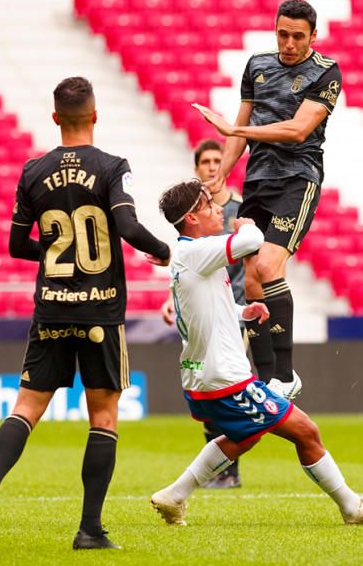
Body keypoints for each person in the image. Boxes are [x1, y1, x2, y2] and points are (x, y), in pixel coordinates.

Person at [0, 77, 171, 552]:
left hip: (51, 307)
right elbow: (128, 226)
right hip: (100, 312)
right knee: (104, 418)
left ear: (55, 118)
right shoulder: (113, 167)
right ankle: (90, 529)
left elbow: (15, 246)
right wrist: (162, 251)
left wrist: (56, 253)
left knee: (26, 410)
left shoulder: (33, 171)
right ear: (95, 115)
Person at [149, 179, 363, 527]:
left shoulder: (190, 257)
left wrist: (243, 312)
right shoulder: (197, 252)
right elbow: (252, 241)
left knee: (245, 436)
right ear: (191, 218)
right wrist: (247, 221)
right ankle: (351, 507)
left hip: (206, 375)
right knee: (306, 431)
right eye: (209, 205)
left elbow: (202, 310)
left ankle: (174, 496)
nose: (220, 209)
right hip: (225, 377)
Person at [193, 0, 340, 397]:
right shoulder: (257, 65)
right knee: (253, 278)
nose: (289, 43)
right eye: (282, 34)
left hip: (297, 178)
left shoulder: (326, 72)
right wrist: (220, 175)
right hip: (258, 182)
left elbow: (297, 130)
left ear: (313, 36)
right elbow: (239, 128)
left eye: (297, 36)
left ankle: (287, 375)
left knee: (269, 262)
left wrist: (235, 132)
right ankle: (268, 377)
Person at [160, 139, 246, 488]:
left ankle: (226, 471)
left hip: (234, 312)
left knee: (228, 385)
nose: (212, 166)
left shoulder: (240, 208)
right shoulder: (194, 216)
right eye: (206, 161)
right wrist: (172, 298)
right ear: (197, 169)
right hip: (208, 313)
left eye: (218, 160)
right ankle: (216, 471)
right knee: (218, 388)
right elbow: (188, 270)